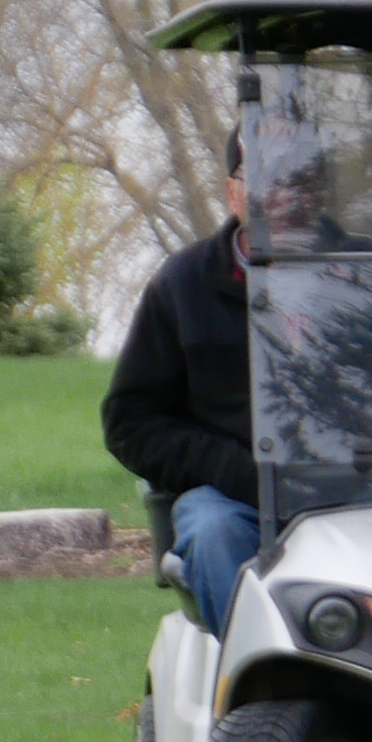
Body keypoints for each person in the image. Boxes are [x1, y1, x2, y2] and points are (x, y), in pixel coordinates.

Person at [102, 133, 263, 629]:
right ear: (233, 191)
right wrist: (233, 468)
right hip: (234, 494)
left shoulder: (369, 276)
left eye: (297, 178)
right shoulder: (183, 285)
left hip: (358, 487)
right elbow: (131, 422)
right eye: (262, 179)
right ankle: (256, 689)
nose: (281, 195)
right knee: (214, 530)